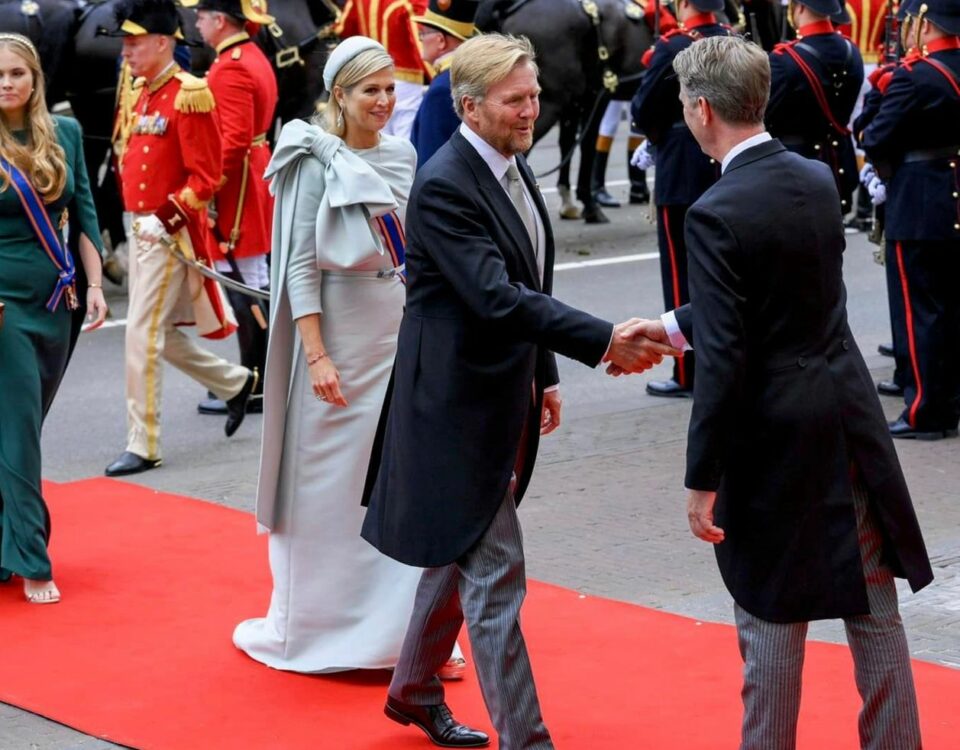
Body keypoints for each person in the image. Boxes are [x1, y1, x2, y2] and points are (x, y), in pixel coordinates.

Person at [362, 33, 678, 750]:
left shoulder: (511, 164)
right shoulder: (446, 184)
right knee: (497, 573)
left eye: (534, 96)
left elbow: (530, 282)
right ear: (469, 107)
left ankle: (413, 690)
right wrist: (602, 340)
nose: (532, 110)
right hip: (450, 406)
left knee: (461, 542)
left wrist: (545, 376)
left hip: (500, 394)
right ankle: (527, 741)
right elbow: (497, 299)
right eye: (515, 100)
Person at [656, 35, 933, 748]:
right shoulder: (813, 178)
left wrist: (701, 478)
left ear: (704, 110)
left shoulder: (714, 212)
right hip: (844, 417)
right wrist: (670, 325)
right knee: (874, 609)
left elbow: (725, 356)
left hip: (773, 437)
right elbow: (789, 293)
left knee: (772, 615)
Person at [234, 36, 465, 678]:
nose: (385, 102)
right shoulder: (311, 159)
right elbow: (299, 265)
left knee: (395, 486)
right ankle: (316, 630)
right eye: (371, 91)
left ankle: (401, 639)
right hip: (333, 333)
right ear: (340, 94)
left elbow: (416, 251)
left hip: (393, 329)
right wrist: (315, 355)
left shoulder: (402, 153)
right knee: (327, 487)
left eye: (391, 89)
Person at [102, 0, 257, 478]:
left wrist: (164, 219)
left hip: (166, 233)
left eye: (133, 43)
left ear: (163, 42)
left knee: (140, 333)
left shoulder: (189, 93)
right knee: (160, 337)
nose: (126, 52)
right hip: (143, 226)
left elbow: (205, 177)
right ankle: (235, 384)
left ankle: (143, 442)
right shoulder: (146, 92)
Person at [0, 33, 108, 604]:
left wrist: (94, 284)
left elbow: (84, 214)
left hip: (56, 304)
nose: (7, 83)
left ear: (35, 78)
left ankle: (3, 543)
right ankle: (30, 558)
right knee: (18, 431)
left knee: (20, 426)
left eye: (17, 73)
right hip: (2, 308)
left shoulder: (64, 133)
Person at [860, 0, 960, 440]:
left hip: (919, 201)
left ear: (925, 24)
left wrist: (883, 90)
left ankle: (925, 412)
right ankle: (950, 399)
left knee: (922, 312)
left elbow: (874, 134)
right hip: (954, 197)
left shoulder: (915, 75)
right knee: (951, 310)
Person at [631, 0, 733, 399]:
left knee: (680, 274)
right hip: (723, 161)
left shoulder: (673, 47)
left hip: (681, 164)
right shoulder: (733, 41)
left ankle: (688, 371)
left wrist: (656, 137)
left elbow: (643, 107)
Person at [189, 0, 278, 417]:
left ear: (220, 21)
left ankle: (254, 379)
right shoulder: (249, 55)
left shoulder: (230, 66)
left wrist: (205, 188)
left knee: (241, 280)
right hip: (251, 171)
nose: (196, 23)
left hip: (237, 184)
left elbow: (233, 140)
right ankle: (259, 375)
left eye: (201, 16)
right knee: (253, 278)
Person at [766, 0, 865, 214]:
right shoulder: (852, 51)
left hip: (795, 168)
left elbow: (765, 117)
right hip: (839, 163)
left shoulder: (783, 60)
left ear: (799, 7)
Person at [336, 0, 428, 139]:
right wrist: (438, 76)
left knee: (380, 138)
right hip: (406, 79)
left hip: (369, 80)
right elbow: (421, 42)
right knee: (406, 137)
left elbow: (344, 27)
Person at [410, 0, 479, 168]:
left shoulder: (441, 89)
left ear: (440, 40)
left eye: (423, 34)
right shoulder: (472, 75)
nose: (421, 40)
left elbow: (432, 162)